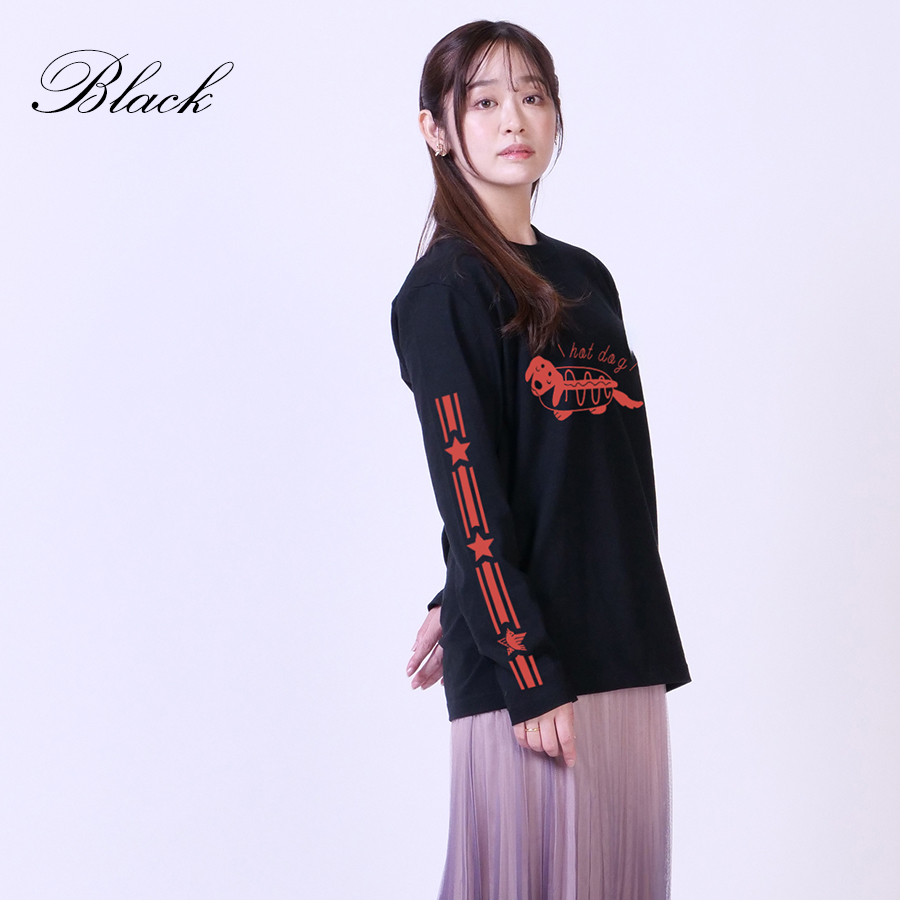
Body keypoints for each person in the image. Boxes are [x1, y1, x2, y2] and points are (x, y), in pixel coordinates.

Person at [390, 20, 690, 900]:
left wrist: (458, 589)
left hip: (622, 637)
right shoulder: (444, 290)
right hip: (532, 673)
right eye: (483, 101)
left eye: (531, 95)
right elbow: (467, 484)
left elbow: (570, 468)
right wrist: (523, 663)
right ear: (436, 130)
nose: (513, 118)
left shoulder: (585, 276)